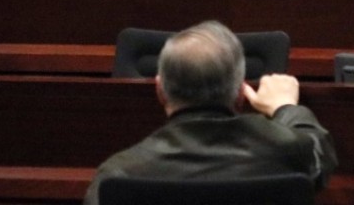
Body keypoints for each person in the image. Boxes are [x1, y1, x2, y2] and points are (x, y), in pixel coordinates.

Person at [83, 20, 337, 204]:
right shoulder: (288, 154)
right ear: (241, 94)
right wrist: (286, 107)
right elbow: (320, 152)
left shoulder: (118, 175)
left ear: (160, 91)